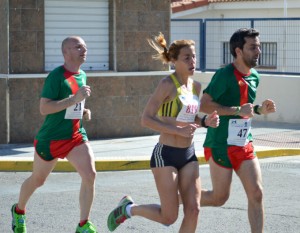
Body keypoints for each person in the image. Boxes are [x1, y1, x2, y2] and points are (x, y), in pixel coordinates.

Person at [106, 33, 219, 233]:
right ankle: (129, 209)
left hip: (189, 155)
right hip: (165, 155)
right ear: (174, 61)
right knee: (169, 217)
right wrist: (177, 130)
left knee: (194, 209)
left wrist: (204, 121)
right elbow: (146, 118)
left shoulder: (196, 86)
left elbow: (188, 115)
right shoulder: (167, 84)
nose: (192, 61)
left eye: (193, 57)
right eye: (187, 58)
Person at [11, 36, 98, 233]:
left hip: (75, 136)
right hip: (51, 139)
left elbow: (72, 103)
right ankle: (18, 211)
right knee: (38, 180)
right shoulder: (56, 76)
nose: (84, 49)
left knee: (90, 175)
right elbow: (44, 108)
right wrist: (74, 99)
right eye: (78, 46)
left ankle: (83, 224)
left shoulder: (82, 75)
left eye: (85, 46)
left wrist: (83, 110)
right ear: (66, 52)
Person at [200, 28, 276, 233]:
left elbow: (246, 109)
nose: (258, 51)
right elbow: (204, 105)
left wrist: (260, 109)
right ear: (238, 51)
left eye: (259, 46)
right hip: (220, 144)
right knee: (219, 198)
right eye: (252, 47)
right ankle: (178, 198)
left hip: (243, 143)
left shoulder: (255, 77)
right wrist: (236, 110)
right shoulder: (224, 75)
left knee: (257, 193)